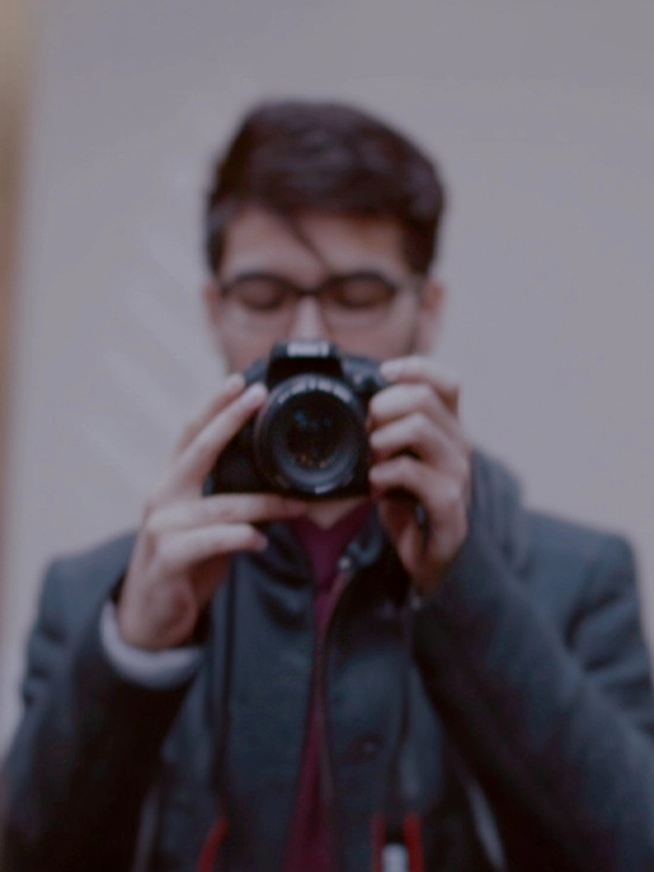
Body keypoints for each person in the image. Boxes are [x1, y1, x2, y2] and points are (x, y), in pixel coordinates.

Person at [3, 99, 654, 872]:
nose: (306, 335)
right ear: (213, 310)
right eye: (264, 296)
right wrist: (138, 652)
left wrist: (465, 588)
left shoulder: (576, 581)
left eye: (356, 297)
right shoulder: (95, 598)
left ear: (429, 309)